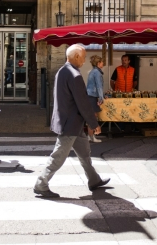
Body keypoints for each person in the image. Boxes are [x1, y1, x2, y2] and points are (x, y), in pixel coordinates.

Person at [34, 44, 110, 198]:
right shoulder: (75, 75)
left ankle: (94, 180)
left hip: (70, 122)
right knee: (58, 156)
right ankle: (41, 184)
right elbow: (82, 103)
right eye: (83, 57)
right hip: (70, 124)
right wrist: (94, 124)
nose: (84, 60)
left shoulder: (63, 71)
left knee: (85, 154)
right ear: (76, 57)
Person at [86, 54, 105, 143]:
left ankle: (90, 136)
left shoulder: (92, 71)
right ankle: (91, 136)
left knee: (91, 116)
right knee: (93, 116)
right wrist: (101, 97)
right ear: (98, 63)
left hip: (90, 96)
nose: (103, 63)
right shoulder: (97, 73)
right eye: (102, 62)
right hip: (92, 96)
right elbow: (99, 86)